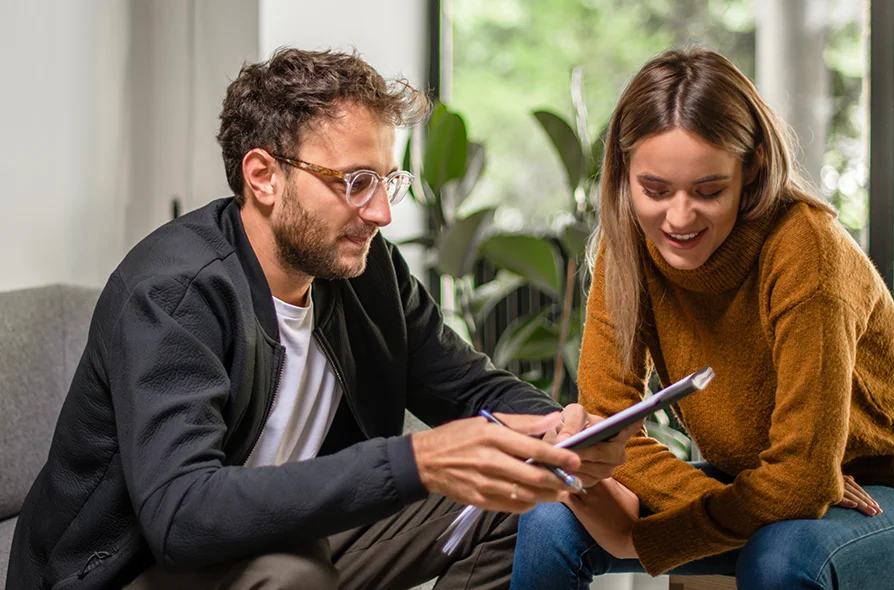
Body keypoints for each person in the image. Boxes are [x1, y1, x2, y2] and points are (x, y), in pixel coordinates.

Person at [6, 48, 631, 590]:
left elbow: (471, 389)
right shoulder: (174, 295)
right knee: (290, 573)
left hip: (290, 541)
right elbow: (181, 517)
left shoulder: (361, 272)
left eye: (389, 180)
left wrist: (561, 430)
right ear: (264, 176)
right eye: (357, 181)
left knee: (513, 496)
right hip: (126, 574)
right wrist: (415, 459)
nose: (383, 212)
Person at [513, 47, 894, 590]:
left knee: (780, 553)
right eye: (654, 190)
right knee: (549, 519)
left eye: (708, 191)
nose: (678, 218)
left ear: (752, 169)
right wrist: (754, 498)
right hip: (751, 484)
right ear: (625, 176)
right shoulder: (628, 244)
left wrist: (645, 538)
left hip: (889, 496)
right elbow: (610, 417)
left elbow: (803, 478)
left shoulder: (806, 250)